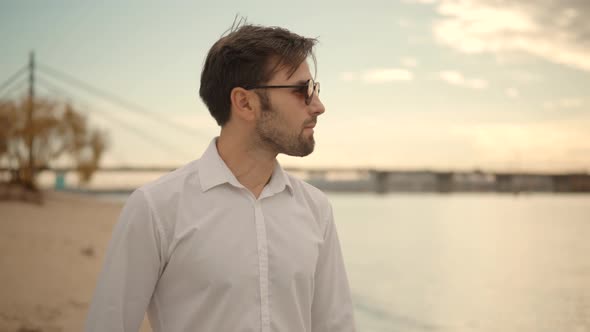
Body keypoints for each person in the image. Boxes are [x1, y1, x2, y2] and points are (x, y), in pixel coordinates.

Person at [85, 21, 356, 332]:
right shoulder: (156, 209)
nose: (318, 106)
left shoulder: (316, 209)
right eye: (302, 90)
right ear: (244, 102)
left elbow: (336, 325)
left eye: (315, 88)